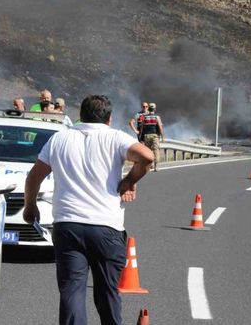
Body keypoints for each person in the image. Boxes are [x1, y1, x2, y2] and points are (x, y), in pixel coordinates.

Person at [23, 95, 153, 325]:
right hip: (106, 227)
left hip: (68, 225)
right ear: (109, 119)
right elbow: (147, 156)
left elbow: (34, 177)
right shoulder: (115, 137)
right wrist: (130, 180)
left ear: (80, 115)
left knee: (72, 290)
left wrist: (30, 207)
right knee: (107, 292)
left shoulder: (59, 139)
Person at [139, 102, 164, 171]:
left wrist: (141, 135)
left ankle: (151, 164)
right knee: (156, 150)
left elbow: (142, 127)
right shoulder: (157, 117)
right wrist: (162, 137)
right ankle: (156, 166)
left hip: (146, 136)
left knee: (149, 151)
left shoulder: (145, 117)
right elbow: (160, 127)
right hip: (154, 136)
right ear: (154, 109)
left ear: (149, 109)